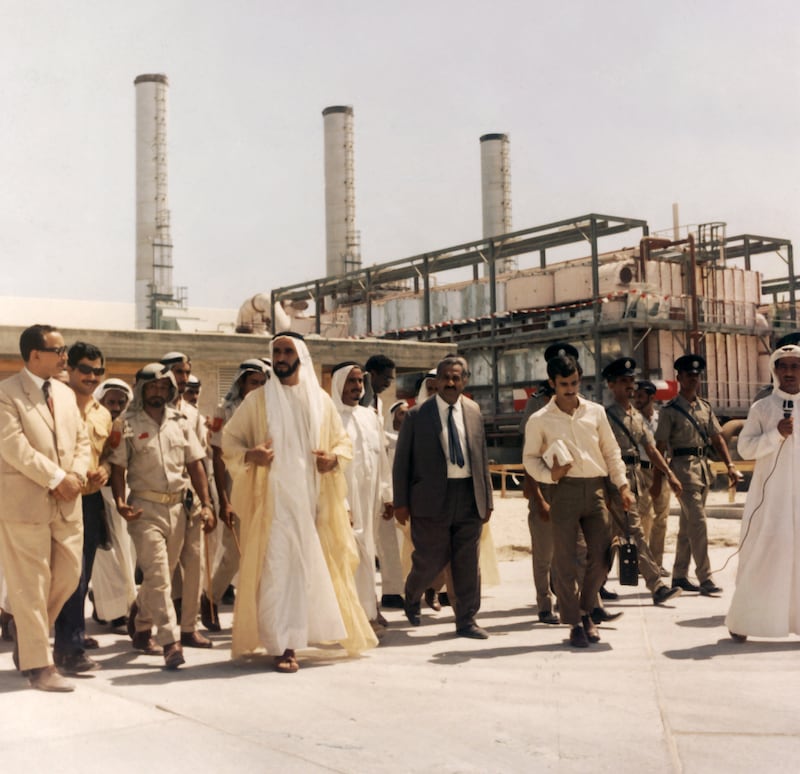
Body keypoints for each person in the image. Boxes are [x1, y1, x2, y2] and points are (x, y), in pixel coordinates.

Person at [222, 333, 376, 672]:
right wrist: (252, 454)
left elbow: (342, 445)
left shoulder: (320, 402)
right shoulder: (258, 401)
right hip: (273, 506)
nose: (279, 356)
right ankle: (284, 645)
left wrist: (333, 460)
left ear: (300, 356)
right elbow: (229, 441)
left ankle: (304, 635)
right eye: (275, 351)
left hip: (314, 505)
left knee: (309, 572)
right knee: (279, 571)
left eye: (286, 351)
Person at [0, 324, 91, 691]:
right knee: (31, 584)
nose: (65, 356)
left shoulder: (67, 395)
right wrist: (57, 478)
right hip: (26, 504)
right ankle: (40, 667)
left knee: (69, 575)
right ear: (34, 355)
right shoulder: (6, 394)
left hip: (68, 503)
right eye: (58, 350)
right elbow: (13, 447)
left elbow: (82, 440)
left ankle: (27, 633)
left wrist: (77, 475)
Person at [523, 353, 634, 648]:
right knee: (565, 562)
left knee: (601, 556)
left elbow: (611, 451)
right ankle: (577, 622)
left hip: (596, 490)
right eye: (564, 384)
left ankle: (586, 608)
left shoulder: (595, 413)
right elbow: (530, 460)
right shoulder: (540, 420)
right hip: (564, 492)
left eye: (574, 383)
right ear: (552, 383)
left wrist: (622, 486)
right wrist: (551, 475)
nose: (570, 389)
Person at [109, 363, 215, 669]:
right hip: (145, 508)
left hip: (179, 508)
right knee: (157, 574)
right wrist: (119, 501)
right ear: (140, 389)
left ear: (170, 390)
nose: (157, 392)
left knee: (161, 578)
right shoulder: (125, 423)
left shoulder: (180, 422)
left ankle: (142, 626)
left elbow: (196, 464)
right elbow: (118, 468)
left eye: (162, 387)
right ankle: (171, 642)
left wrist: (206, 504)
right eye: (151, 387)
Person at [393, 355, 494, 640]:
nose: (450, 382)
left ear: (465, 381)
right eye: (445, 377)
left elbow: (481, 458)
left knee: (467, 564)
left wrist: (487, 500)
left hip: (468, 497)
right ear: (436, 381)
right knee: (429, 559)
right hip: (430, 499)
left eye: (456, 377)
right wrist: (401, 502)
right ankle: (412, 595)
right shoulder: (416, 415)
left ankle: (466, 620)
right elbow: (402, 463)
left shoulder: (474, 411)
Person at [726, 344, 800, 642]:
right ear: (775, 370)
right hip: (770, 502)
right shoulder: (763, 408)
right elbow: (745, 448)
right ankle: (744, 620)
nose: (789, 372)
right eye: (783, 366)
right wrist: (775, 435)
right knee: (765, 553)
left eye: (796, 366)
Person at [654, 355, 739, 596]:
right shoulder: (669, 411)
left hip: (703, 469)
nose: (693, 378)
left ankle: (680, 575)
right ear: (679, 378)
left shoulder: (705, 407)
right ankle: (705, 577)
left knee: (687, 525)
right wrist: (661, 477)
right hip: (682, 470)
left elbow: (717, 438)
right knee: (699, 524)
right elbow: (659, 447)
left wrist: (730, 465)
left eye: (697, 375)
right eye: (688, 374)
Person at [52, 342, 112, 675]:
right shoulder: (55, 404)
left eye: (97, 371)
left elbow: (106, 456)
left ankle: (70, 645)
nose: (91, 376)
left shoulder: (104, 413)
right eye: (85, 369)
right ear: (71, 370)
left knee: (80, 574)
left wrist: (104, 470)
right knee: (54, 574)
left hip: (87, 501)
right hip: (54, 496)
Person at [602, 358, 683, 606]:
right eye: (624, 382)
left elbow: (651, 447)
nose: (630, 386)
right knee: (634, 531)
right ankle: (656, 585)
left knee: (610, 537)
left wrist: (669, 473)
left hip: (635, 478)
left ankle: (593, 584)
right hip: (615, 480)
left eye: (631, 381)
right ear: (611, 385)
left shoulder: (634, 416)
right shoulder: (605, 416)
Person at [202, 358, 269, 631]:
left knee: (265, 552)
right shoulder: (225, 409)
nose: (258, 388)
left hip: (264, 487)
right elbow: (218, 456)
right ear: (241, 382)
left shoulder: (270, 409)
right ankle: (210, 599)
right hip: (234, 486)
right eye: (254, 382)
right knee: (235, 553)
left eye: (263, 383)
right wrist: (224, 501)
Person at [331, 362, 393, 631]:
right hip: (342, 499)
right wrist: (341, 503)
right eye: (351, 382)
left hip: (370, 500)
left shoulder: (370, 417)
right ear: (338, 384)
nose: (357, 387)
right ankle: (352, 615)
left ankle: (369, 609)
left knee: (368, 551)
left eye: (359, 382)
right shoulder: (329, 417)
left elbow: (381, 458)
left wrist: (387, 494)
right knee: (350, 555)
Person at [160, 351, 216, 648]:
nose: (181, 379)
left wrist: (208, 502)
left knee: (195, 564)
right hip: (159, 499)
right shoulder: (149, 408)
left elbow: (200, 460)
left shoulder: (193, 413)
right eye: (176, 372)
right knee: (163, 569)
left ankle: (188, 628)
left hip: (190, 498)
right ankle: (143, 620)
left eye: (185, 373)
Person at [90, 378, 137, 629]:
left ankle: (125, 607)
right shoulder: (91, 422)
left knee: (128, 554)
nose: (116, 406)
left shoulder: (131, 424)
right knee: (105, 557)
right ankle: (113, 612)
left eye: (121, 402)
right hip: (98, 495)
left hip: (125, 493)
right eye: (111, 402)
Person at [634, 380, 672, 573]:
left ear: (651, 397)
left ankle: (656, 563)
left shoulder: (661, 419)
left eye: (640, 395)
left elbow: (667, 445)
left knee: (662, 518)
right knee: (644, 517)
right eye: (635, 395)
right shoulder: (632, 419)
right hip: (641, 471)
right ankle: (643, 563)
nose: (636, 399)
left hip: (661, 471)